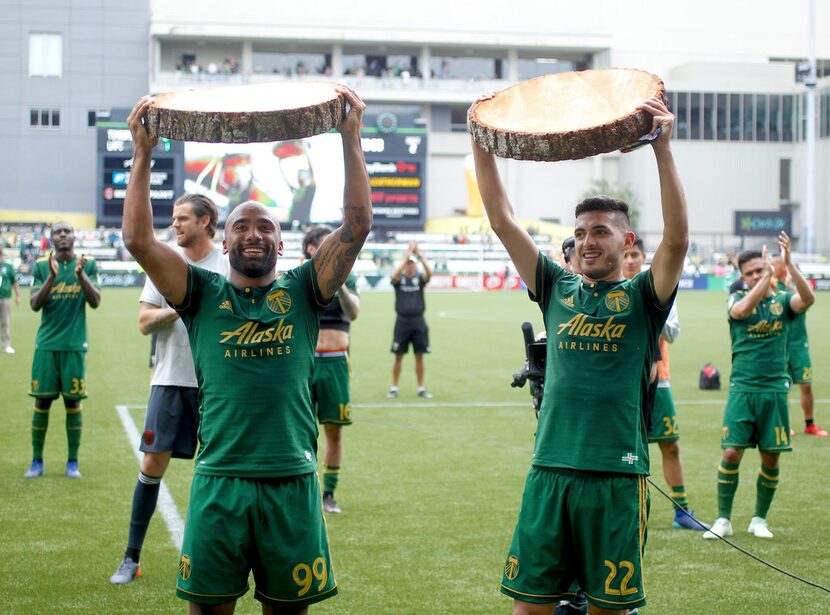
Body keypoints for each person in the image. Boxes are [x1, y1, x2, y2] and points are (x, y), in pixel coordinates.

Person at [122, 84, 371, 613]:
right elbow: (140, 242)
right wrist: (142, 154)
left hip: (291, 482)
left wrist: (351, 138)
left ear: (281, 244)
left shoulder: (304, 289)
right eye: (241, 226)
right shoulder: (201, 291)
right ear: (225, 239)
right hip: (219, 482)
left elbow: (356, 226)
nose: (253, 233)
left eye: (265, 227)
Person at [472, 95, 687, 615]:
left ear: (626, 239)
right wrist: (480, 139)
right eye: (580, 233)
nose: (587, 242)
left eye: (600, 232)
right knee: (529, 607)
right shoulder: (556, 288)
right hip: (550, 470)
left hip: (617, 476)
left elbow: (677, 243)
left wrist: (663, 150)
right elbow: (502, 219)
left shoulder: (642, 298)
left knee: (609, 610)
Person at [109, 193, 229, 585]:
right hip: (171, 380)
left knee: (219, 471)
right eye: (174, 218)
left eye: (182, 218)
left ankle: (216, 556)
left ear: (206, 220)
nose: (175, 225)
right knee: (151, 465)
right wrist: (182, 305)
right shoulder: (164, 264)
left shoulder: (227, 265)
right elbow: (145, 322)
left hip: (220, 385)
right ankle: (131, 557)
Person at [704, 235, 815, 541]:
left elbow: (807, 300)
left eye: (760, 269)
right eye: (750, 272)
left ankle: (759, 519)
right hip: (742, 390)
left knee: (771, 457)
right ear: (743, 277)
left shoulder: (781, 303)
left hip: (775, 391)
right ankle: (723, 520)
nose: (756, 275)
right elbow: (739, 313)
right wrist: (766, 277)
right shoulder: (737, 301)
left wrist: (788, 265)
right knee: (731, 454)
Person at [623, 238, 707, 531]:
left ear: (644, 256)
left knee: (670, 444)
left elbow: (671, 332)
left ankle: (681, 510)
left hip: (659, 378)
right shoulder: (610, 288)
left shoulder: (660, 286)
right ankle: (628, 510)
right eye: (626, 254)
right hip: (623, 381)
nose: (631, 260)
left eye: (635, 254)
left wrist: (647, 313)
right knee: (629, 448)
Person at [25, 222, 101, 479]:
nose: (63, 235)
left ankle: (72, 463)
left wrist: (81, 276)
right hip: (46, 345)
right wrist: (51, 278)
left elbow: (96, 302)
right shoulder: (40, 266)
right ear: (52, 238)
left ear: (74, 236)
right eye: (58, 232)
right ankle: (37, 461)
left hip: (74, 346)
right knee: (42, 400)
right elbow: (34, 304)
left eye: (67, 231)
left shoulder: (87, 265)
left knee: (73, 402)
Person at [302, 225, 360, 514]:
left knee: (333, 431)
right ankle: (304, 491)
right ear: (311, 249)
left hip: (336, 361)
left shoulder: (346, 275)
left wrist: (341, 285)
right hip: (304, 363)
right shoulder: (301, 277)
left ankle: (329, 494)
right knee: (300, 430)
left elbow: (354, 312)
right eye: (324, 243)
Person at [771, 254, 826, 436]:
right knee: (782, 387)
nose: (772, 267)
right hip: (780, 345)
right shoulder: (770, 287)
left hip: (799, 345)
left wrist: (789, 284)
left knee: (806, 385)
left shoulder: (794, 285)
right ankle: (784, 424)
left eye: (775, 264)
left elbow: (808, 298)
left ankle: (810, 424)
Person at [387, 241, 432, 399]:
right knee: (398, 355)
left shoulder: (420, 279)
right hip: (402, 322)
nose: (410, 266)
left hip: (419, 322)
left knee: (419, 355)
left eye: (412, 264)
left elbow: (429, 273)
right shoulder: (399, 280)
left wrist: (419, 256)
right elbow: (393, 276)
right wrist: (406, 257)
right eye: (408, 264)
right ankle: (394, 387)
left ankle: (421, 388)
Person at [0, 245, 20, 353]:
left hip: (5, 297)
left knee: (5, 322)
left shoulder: (8, 266)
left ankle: (6, 345)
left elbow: (14, 282)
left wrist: (18, 296)